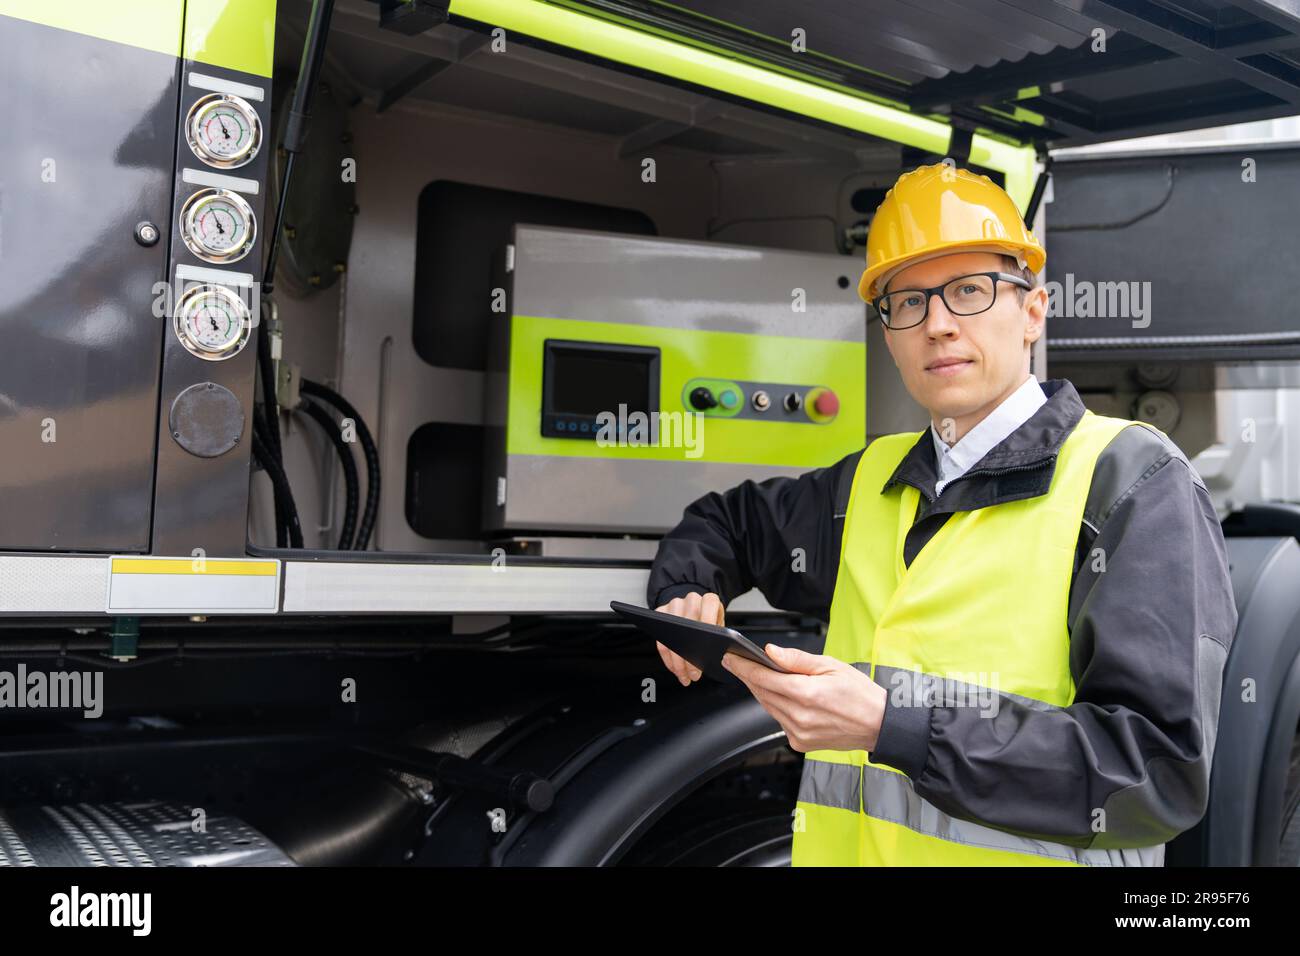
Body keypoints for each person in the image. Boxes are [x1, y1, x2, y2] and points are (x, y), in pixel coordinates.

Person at [645, 163, 1238, 866]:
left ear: (1033, 311)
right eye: (908, 302)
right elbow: (726, 523)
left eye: (969, 291)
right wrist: (688, 588)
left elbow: (1154, 774)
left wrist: (893, 726)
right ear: (889, 332)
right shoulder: (871, 480)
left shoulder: (1130, 481)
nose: (938, 325)